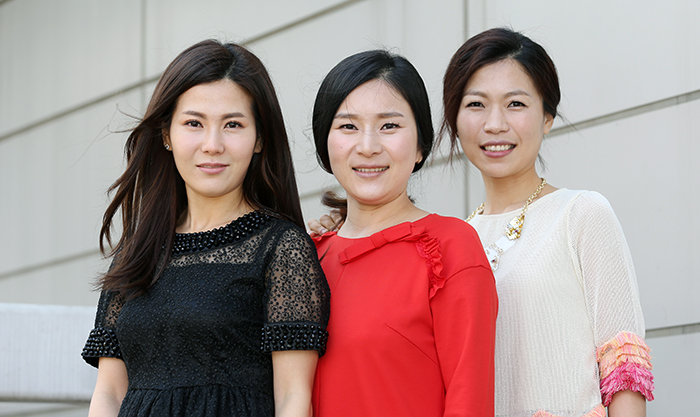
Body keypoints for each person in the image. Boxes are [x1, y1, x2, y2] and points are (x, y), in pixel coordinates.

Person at [311, 29, 655, 417]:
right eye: (476, 104)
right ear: (454, 121)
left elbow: (623, 365)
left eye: (515, 104)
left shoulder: (580, 214)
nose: (494, 124)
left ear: (547, 117)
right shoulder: (456, 237)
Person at [81, 40, 330, 417]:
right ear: (166, 134)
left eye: (233, 125)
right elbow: (109, 394)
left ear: (260, 137)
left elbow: (293, 398)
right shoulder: (136, 251)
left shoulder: (282, 248)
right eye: (194, 123)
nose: (212, 145)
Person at [309, 50, 498, 417]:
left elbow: (469, 397)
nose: (368, 146)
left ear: (420, 146)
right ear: (325, 142)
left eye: (389, 126)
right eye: (348, 126)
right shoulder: (300, 257)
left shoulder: (450, 247)